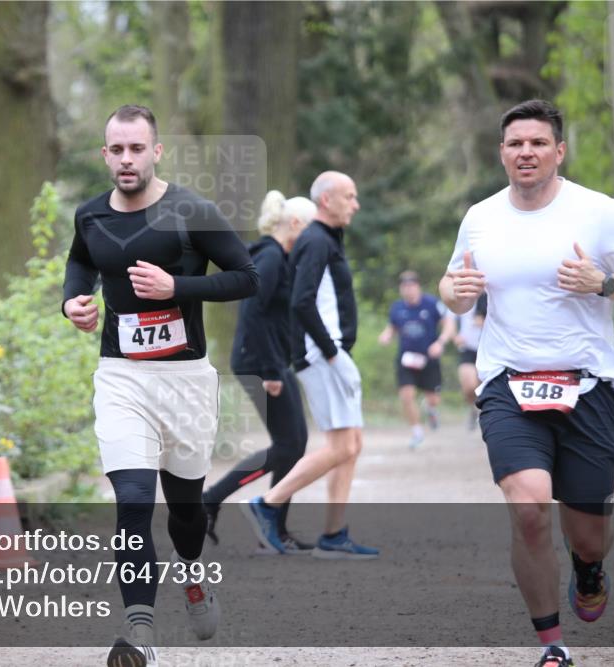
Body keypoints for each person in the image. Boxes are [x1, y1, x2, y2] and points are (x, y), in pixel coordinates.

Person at [439, 99, 614, 667]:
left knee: (589, 534)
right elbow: (452, 284)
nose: (526, 152)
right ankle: (552, 645)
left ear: (559, 151)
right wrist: (458, 292)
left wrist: (606, 283)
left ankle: (588, 569)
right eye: (516, 144)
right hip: (507, 384)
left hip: (587, 385)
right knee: (529, 507)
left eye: (538, 143)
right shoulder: (481, 216)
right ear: (502, 153)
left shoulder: (598, 212)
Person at [62, 104, 259, 667]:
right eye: (116, 150)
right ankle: (140, 631)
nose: (126, 159)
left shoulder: (191, 210)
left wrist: (178, 285)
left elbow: (248, 276)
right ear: (105, 154)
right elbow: (81, 264)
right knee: (132, 502)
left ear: (156, 151)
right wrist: (72, 301)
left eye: (136, 149)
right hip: (121, 377)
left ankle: (192, 572)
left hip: (185, 380)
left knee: (186, 507)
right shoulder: (91, 216)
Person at [241, 171, 379, 560]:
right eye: (349, 196)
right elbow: (301, 302)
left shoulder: (326, 240)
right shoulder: (316, 240)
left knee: (351, 446)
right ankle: (267, 504)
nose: (355, 204)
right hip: (321, 357)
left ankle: (334, 535)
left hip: (330, 354)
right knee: (343, 446)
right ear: (326, 201)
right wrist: (333, 354)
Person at [201, 190, 317, 554]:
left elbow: (277, 316)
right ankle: (213, 501)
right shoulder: (269, 257)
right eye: (312, 231)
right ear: (295, 224)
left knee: (293, 445)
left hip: (271, 359)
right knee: (288, 445)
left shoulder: (279, 257)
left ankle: (273, 527)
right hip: (260, 362)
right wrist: (269, 370)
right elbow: (253, 313)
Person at [377, 270, 456, 448]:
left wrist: (440, 343)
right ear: (400, 289)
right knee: (406, 395)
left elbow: (449, 325)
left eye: (411, 286)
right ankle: (417, 432)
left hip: (429, 358)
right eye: (404, 287)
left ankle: (431, 409)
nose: (408, 290)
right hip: (406, 359)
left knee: (433, 398)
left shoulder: (432, 304)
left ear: (418, 287)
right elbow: (392, 327)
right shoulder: (397, 307)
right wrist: (386, 335)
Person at [455, 293, 487, 430]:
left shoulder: (491, 295)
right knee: (469, 385)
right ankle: (473, 408)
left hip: (487, 347)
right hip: (467, 348)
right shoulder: (461, 295)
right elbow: (449, 320)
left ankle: (483, 411)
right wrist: (455, 336)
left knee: (482, 385)